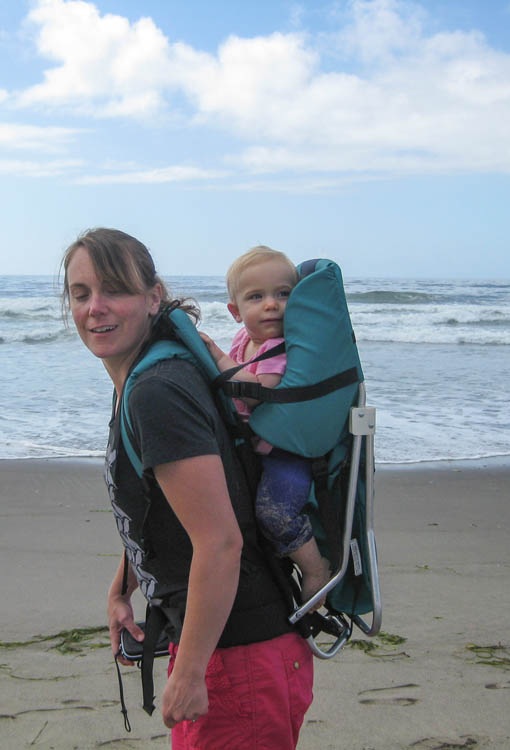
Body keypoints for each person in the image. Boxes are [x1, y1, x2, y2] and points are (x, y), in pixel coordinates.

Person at [61, 229, 314, 749]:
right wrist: (122, 587)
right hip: (233, 646)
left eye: (115, 289)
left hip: (235, 657)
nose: (96, 307)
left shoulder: (158, 389)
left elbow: (220, 541)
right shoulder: (154, 367)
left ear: (154, 296)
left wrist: (193, 672)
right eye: (81, 293)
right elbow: (169, 510)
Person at [198, 246, 332, 606]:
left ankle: (316, 567)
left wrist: (212, 352)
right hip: (253, 447)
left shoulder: (282, 347)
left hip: (284, 454)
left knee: (275, 514)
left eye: (283, 294)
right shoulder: (245, 340)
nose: (271, 304)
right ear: (235, 311)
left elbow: (259, 393)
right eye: (256, 297)